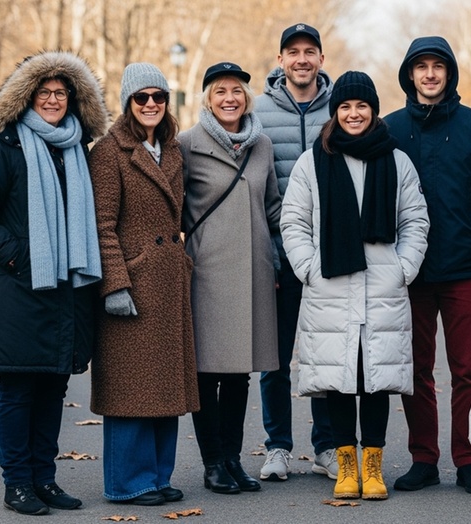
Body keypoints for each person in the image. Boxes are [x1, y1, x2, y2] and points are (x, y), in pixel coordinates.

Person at [0, 51, 108, 515]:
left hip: (67, 293)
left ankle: (45, 479)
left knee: (52, 390)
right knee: (19, 390)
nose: (52, 100)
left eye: (61, 93)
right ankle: (16, 483)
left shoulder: (76, 150)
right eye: (43, 92)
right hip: (18, 290)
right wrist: (21, 256)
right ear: (25, 97)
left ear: (74, 99)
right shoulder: (3, 147)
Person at [280, 71, 430, 501]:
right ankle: (346, 467)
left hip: (383, 287)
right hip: (330, 287)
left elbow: (415, 220)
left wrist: (404, 268)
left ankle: (374, 466)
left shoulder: (396, 160)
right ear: (335, 112)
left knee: (375, 380)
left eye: (361, 105)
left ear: (373, 110)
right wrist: (309, 267)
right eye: (345, 106)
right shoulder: (314, 161)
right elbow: (294, 221)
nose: (353, 113)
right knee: (340, 381)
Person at [383, 36, 471, 495]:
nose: (429, 74)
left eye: (438, 66)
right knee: (415, 371)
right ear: (409, 75)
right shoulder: (389, 129)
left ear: (449, 73)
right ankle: (423, 458)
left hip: (464, 269)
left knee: (468, 369)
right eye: (421, 67)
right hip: (408, 273)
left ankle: (468, 458)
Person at [87, 63, 199, 506]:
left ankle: (156, 475)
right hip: (133, 284)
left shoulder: (171, 148)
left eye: (159, 97)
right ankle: (127, 483)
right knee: (130, 391)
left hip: (169, 282)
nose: (151, 104)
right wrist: (115, 283)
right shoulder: (109, 152)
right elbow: (101, 225)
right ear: (127, 102)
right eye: (141, 98)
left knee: (165, 388)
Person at [179, 62, 281, 495]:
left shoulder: (262, 145)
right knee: (207, 372)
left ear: (246, 97)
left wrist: (286, 255)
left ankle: (234, 458)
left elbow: (273, 207)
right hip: (207, 271)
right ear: (207, 98)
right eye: (220, 91)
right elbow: (173, 207)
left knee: (240, 373)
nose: (229, 99)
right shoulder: (186, 144)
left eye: (236, 91)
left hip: (255, 270)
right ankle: (212, 462)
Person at [254, 22, 337, 482]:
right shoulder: (259, 112)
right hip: (279, 256)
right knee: (275, 358)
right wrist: (269, 251)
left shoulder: (341, 109)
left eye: (310, 51)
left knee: (324, 355)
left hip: (331, 262)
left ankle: (325, 446)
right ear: (281, 59)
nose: (302, 59)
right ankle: (278, 446)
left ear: (321, 59)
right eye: (293, 51)